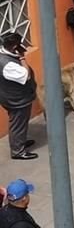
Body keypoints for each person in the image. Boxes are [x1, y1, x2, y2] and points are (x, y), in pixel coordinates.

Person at [0, 32, 37, 160]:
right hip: (16, 99)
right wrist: (22, 58)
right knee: (17, 123)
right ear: (15, 47)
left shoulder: (4, 54)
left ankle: (20, 141)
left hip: (15, 96)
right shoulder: (7, 64)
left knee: (21, 122)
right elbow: (26, 76)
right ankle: (18, 151)